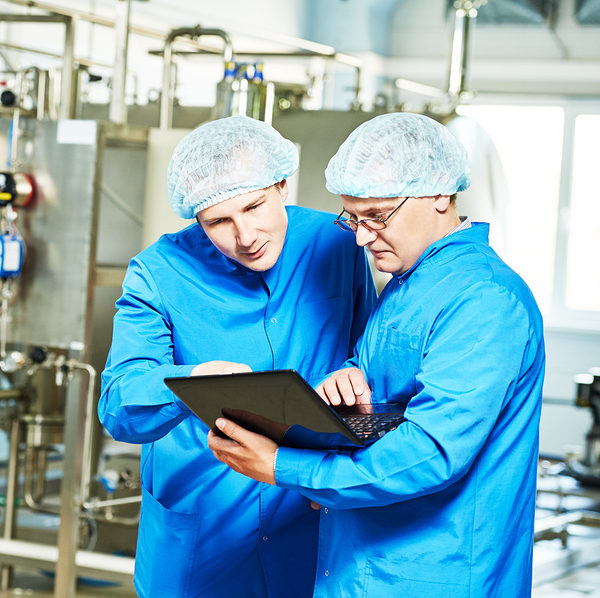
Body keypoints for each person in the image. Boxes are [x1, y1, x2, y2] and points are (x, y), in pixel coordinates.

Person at [208, 112, 545, 598]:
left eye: (378, 217)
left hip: (438, 573)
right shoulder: (408, 283)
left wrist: (283, 466)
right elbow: (388, 381)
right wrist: (348, 378)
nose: (362, 237)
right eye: (353, 218)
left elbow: (432, 452)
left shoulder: (485, 300)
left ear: (440, 195)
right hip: (359, 563)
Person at [99, 115, 376, 598]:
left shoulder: (338, 243)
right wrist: (192, 382)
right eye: (218, 221)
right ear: (195, 218)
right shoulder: (158, 272)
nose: (244, 235)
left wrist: (351, 374)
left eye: (254, 206)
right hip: (202, 530)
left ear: (283, 185)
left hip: (308, 513)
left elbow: (367, 354)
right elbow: (119, 406)